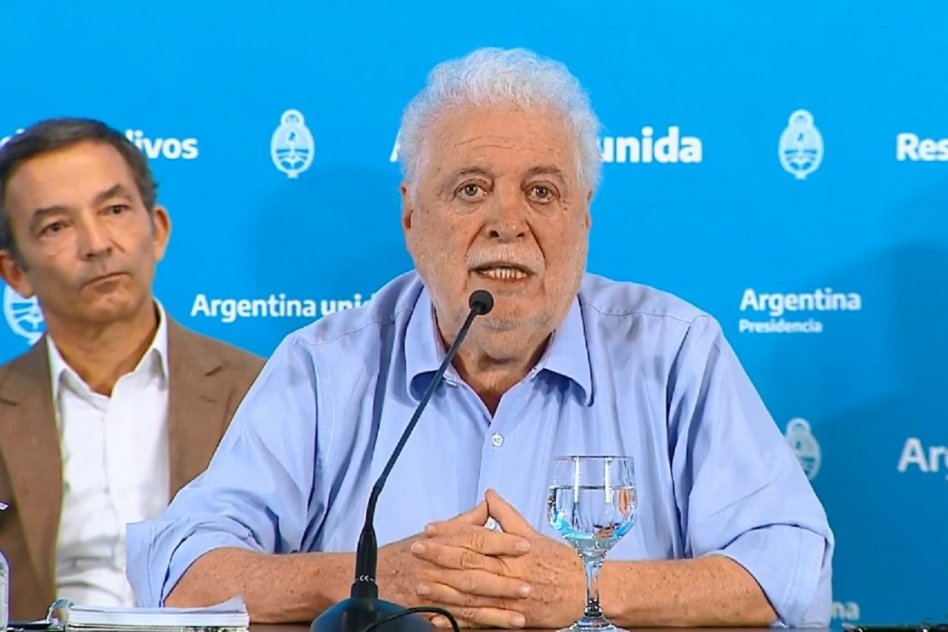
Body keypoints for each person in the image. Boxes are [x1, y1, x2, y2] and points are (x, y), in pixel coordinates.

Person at [127, 48, 833, 628]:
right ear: (411, 218)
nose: (507, 222)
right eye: (470, 189)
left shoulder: (676, 355)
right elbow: (182, 573)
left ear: (584, 216)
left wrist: (588, 589)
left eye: (542, 192)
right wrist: (372, 578)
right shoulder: (323, 368)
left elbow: (793, 571)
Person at [0, 118, 264, 620]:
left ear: (157, 229)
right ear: (15, 272)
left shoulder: (259, 390)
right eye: (56, 227)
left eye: (115, 210)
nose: (96, 244)